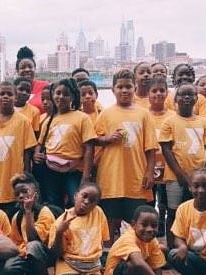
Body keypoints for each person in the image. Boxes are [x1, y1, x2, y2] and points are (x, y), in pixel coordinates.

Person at [94, 69, 156, 244]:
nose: (124, 90)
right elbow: (93, 139)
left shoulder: (143, 114)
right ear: (113, 90)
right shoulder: (105, 113)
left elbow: (150, 147)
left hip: (136, 177)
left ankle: (135, 255)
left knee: (135, 222)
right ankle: (109, 255)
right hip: (110, 178)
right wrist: (107, 139)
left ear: (135, 88)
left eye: (128, 86)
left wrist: (149, 172)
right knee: (110, 221)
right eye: (120, 87)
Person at [159, 84, 206, 248]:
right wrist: (180, 174)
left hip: (199, 176)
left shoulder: (203, 122)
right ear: (176, 99)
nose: (187, 98)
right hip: (175, 177)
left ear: (196, 99)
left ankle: (194, 247)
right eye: (183, 95)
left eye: (191, 95)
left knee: (196, 211)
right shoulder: (169, 122)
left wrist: (205, 173)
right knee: (174, 212)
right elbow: (166, 149)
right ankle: (171, 248)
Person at [33, 78, 97, 209]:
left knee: (77, 202)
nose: (61, 97)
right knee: (53, 204)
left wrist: (85, 176)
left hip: (73, 171)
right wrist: (36, 154)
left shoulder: (82, 118)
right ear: (52, 95)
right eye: (58, 93)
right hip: (50, 170)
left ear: (73, 97)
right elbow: (40, 143)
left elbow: (89, 148)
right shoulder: (48, 120)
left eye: (66, 94)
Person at [0, 81, 37, 214]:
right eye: (2, 93)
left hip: (14, 178)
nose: (5, 97)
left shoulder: (23, 121)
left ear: (16, 97)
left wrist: (26, 177)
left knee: (14, 214)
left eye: (10, 94)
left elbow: (27, 152)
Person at [48, 182, 109, 275]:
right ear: (75, 195)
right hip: (69, 263)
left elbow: (104, 240)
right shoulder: (61, 222)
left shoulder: (98, 212)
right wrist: (59, 232)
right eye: (84, 196)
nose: (86, 202)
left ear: (96, 204)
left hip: (93, 265)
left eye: (92, 200)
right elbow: (57, 254)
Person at [3, 173, 56, 275]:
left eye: (25, 191)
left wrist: (28, 212)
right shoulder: (17, 217)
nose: (21, 196)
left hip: (45, 254)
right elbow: (16, 243)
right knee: (9, 266)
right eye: (17, 194)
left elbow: (33, 239)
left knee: (33, 246)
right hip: (26, 254)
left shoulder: (44, 212)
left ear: (36, 193)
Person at [146, 76, 175, 238]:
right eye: (154, 91)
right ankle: (149, 233)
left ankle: (164, 234)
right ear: (148, 94)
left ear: (167, 93)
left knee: (165, 203)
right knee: (149, 202)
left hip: (168, 167)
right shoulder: (143, 115)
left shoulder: (173, 116)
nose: (158, 94)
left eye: (162, 90)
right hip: (147, 167)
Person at [105, 205, 166, 275]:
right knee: (133, 265)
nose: (150, 229)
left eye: (154, 226)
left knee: (163, 250)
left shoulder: (152, 240)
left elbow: (157, 267)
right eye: (144, 225)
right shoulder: (127, 238)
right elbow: (138, 263)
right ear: (134, 224)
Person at [16, 46, 51, 112]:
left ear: (34, 69)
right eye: (23, 67)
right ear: (17, 71)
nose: (27, 70)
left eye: (30, 67)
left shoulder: (45, 86)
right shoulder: (12, 89)